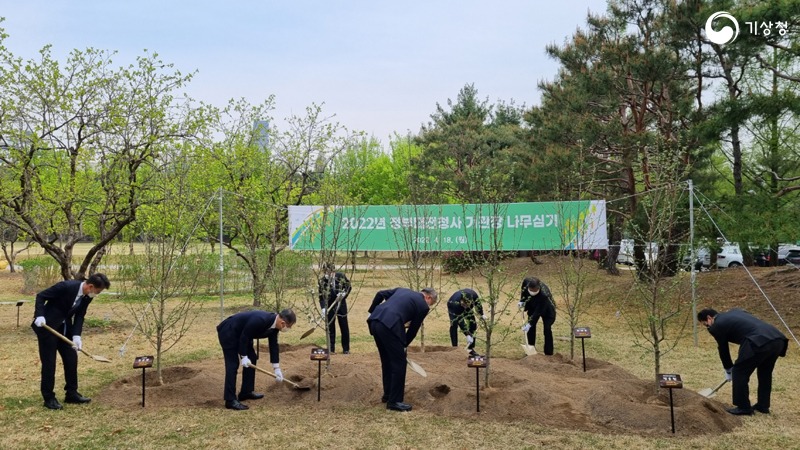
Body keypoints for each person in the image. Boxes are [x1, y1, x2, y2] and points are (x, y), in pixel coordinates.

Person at [31, 273, 111, 410]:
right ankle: (49, 398)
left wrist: (76, 336)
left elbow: (80, 315)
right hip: (47, 327)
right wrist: (39, 315)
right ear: (90, 286)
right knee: (49, 363)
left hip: (65, 328)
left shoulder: (87, 297)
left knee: (71, 358)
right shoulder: (66, 286)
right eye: (97, 291)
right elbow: (41, 296)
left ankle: (71, 393)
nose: (97, 294)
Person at [698, 308, 789, 415]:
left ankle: (743, 407)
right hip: (777, 339)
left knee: (739, 371)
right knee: (765, 372)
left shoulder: (716, 325)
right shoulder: (736, 311)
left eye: (706, 324)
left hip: (757, 340)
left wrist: (728, 369)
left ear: (709, 318)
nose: (708, 327)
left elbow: (723, 348)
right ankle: (763, 406)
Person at [367, 287, 437, 412]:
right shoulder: (423, 306)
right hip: (389, 327)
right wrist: (404, 345)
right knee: (399, 363)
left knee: (387, 360)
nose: (428, 306)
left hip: (375, 321)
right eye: (430, 304)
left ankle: (388, 395)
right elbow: (413, 330)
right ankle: (394, 401)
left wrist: (371, 311)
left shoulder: (402, 290)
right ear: (428, 297)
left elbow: (380, 293)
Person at [216, 309, 296, 411]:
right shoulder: (260, 320)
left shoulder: (274, 326)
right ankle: (230, 400)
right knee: (232, 364)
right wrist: (243, 356)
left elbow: (273, 346)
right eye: (289, 326)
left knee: (252, 357)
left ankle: (246, 392)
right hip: (229, 331)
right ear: (283, 323)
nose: (288, 329)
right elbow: (244, 337)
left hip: (243, 334)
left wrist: (276, 368)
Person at [318, 263, 352, 354]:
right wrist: (323, 308)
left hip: (341, 305)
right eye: (326, 272)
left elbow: (349, 286)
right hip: (330, 306)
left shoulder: (340, 276)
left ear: (333, 271)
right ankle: (331, 349)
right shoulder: (322, 281)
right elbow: (321, 297)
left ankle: (346, 349)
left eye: (330, 272)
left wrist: (344, 294)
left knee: (344, 327)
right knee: (330, 327)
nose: (328, 274)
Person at [519, 277, 557, 356]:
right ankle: (530, 348)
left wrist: (529, 323)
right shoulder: (526, 282)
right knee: (531, 329)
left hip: (547, 310)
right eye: (530, 290)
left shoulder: (544, 295)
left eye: (534, 291)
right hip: (533, 305)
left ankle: (548, 353)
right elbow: (523, 292)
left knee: (547, 329)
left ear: (538, 288)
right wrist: (522, 301)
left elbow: (538, 312)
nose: (532, 292)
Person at [446, 288, 486, 355]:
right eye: (463, 304)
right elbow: (460, 320)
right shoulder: (454, 303)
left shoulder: (474, 295)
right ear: (461, 300)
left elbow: (478, 304)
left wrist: (481, 314)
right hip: (454, 308)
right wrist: (467, 334)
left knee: (473, 324)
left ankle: (470, 348)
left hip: (468, 309)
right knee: (454, 325)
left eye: (466, 304)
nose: (464, 306)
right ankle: (455, 348)